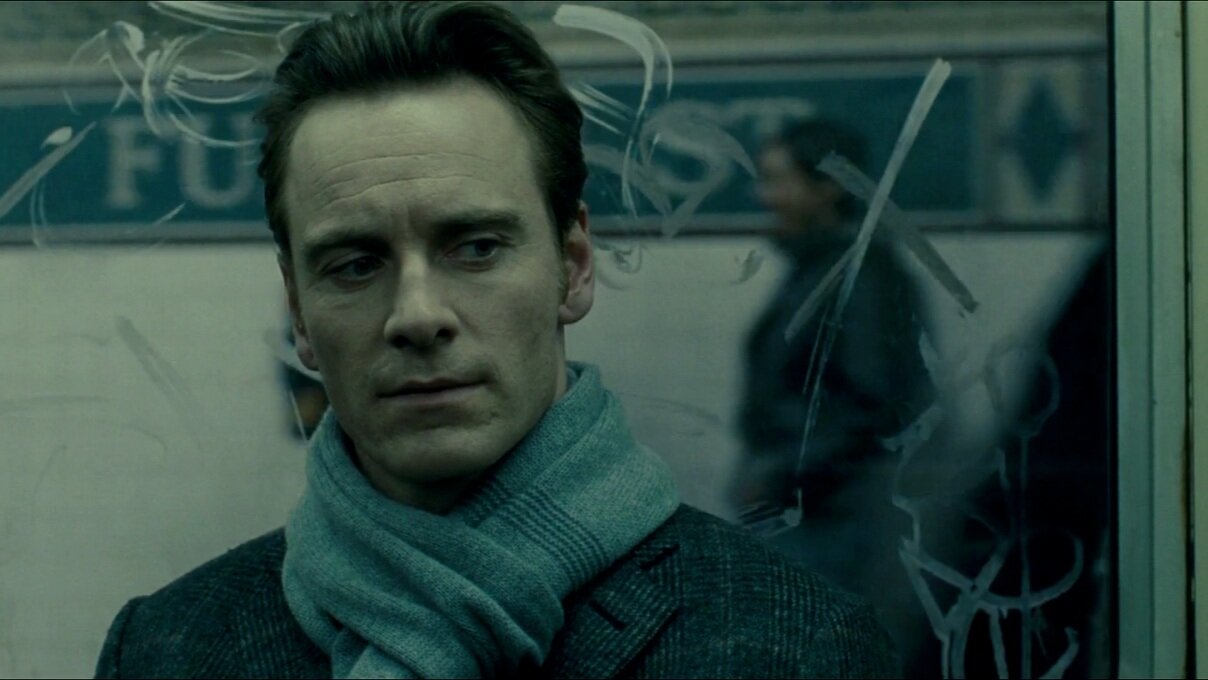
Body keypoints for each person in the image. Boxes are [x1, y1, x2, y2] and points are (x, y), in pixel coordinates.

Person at [94, 3, 898, 677]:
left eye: (476, 248)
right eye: (355, 264)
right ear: (299, 312)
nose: (417, 316)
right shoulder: (167, 649)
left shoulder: (792, 647)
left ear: (573, 269)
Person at [733, 119, 934, 670]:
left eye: (778, 180)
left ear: (825, 188)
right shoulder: (825, 267)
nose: (764, 195)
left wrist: (784, 476)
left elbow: (873, 404)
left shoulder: (859, 274)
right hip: (808, 503)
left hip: (822, 509)